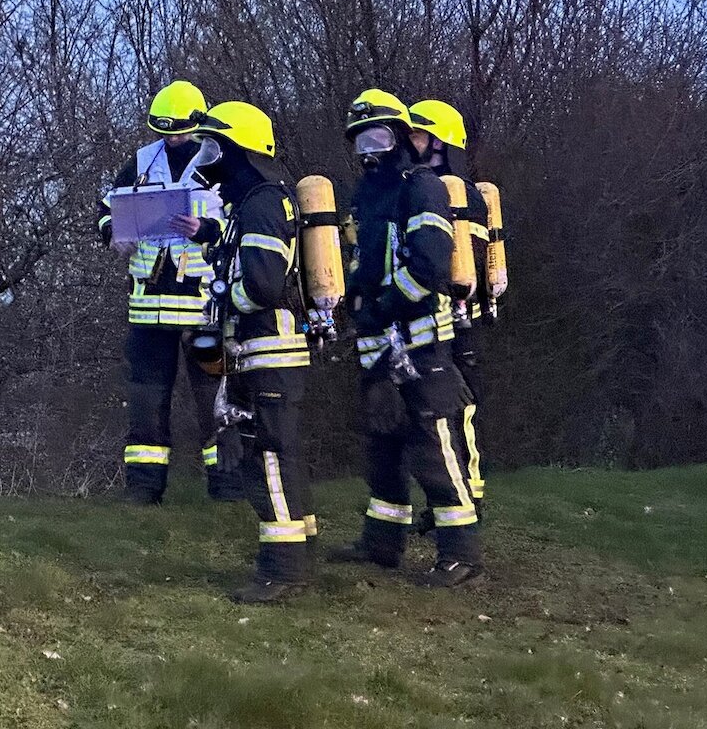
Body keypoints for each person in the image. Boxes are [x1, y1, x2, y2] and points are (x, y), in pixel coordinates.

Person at [326, 89, 484, 587]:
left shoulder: (422, 188)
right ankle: (381, 544)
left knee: (435, 446)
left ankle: (461, 553)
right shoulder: (365, 197)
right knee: (382, 448)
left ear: (399, 135)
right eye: (360, 140)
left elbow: (432, 266)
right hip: (375, 344)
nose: (369, 149)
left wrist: (384, 307)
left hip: (421, 342)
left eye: (378, 136)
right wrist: (352, 307)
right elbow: (359, 264)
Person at [190, 100, 314, 603]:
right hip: (270, 350)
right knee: (284, 455)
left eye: (215, 145)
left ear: (240, 151)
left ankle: (282, 571)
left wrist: (223, 295)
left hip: (267, 350)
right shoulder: (258, 203)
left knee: (268, 457)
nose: (208, 156)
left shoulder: (262, 201)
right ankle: (299, 556)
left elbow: (261, 285)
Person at [97, 80, 241, 504]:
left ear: (199, 125)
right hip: (148, 307)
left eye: (179, 131)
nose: (172, 140)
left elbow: (242, 221)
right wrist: (114, 234)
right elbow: (107, 209)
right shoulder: (142, 162)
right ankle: (142, 490)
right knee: (146, 399)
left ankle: (227, 486)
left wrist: (207, 230)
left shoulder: (220, 163)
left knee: (214, 398)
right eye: (165, 132)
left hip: (204, 307)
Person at [408, 99, 488, 520]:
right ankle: (449, 493)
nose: (410, 142)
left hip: (460, 320)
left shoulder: (463, 196)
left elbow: (466, 262)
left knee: (462, 407)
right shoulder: (420, 189)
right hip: (430, 319)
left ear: (439, 142)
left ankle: (469, 494)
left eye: (418, 134)